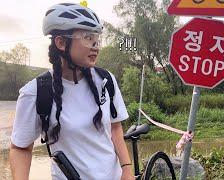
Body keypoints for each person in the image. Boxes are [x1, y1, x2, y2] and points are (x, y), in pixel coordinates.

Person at [9, 3, 134, 180]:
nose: (95, 46)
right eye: (87, 37)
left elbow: (115, 127)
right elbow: (20, 148)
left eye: (97, 39)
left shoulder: (106, 80)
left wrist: (127, 170)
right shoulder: (36, 92)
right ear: (61, 42)